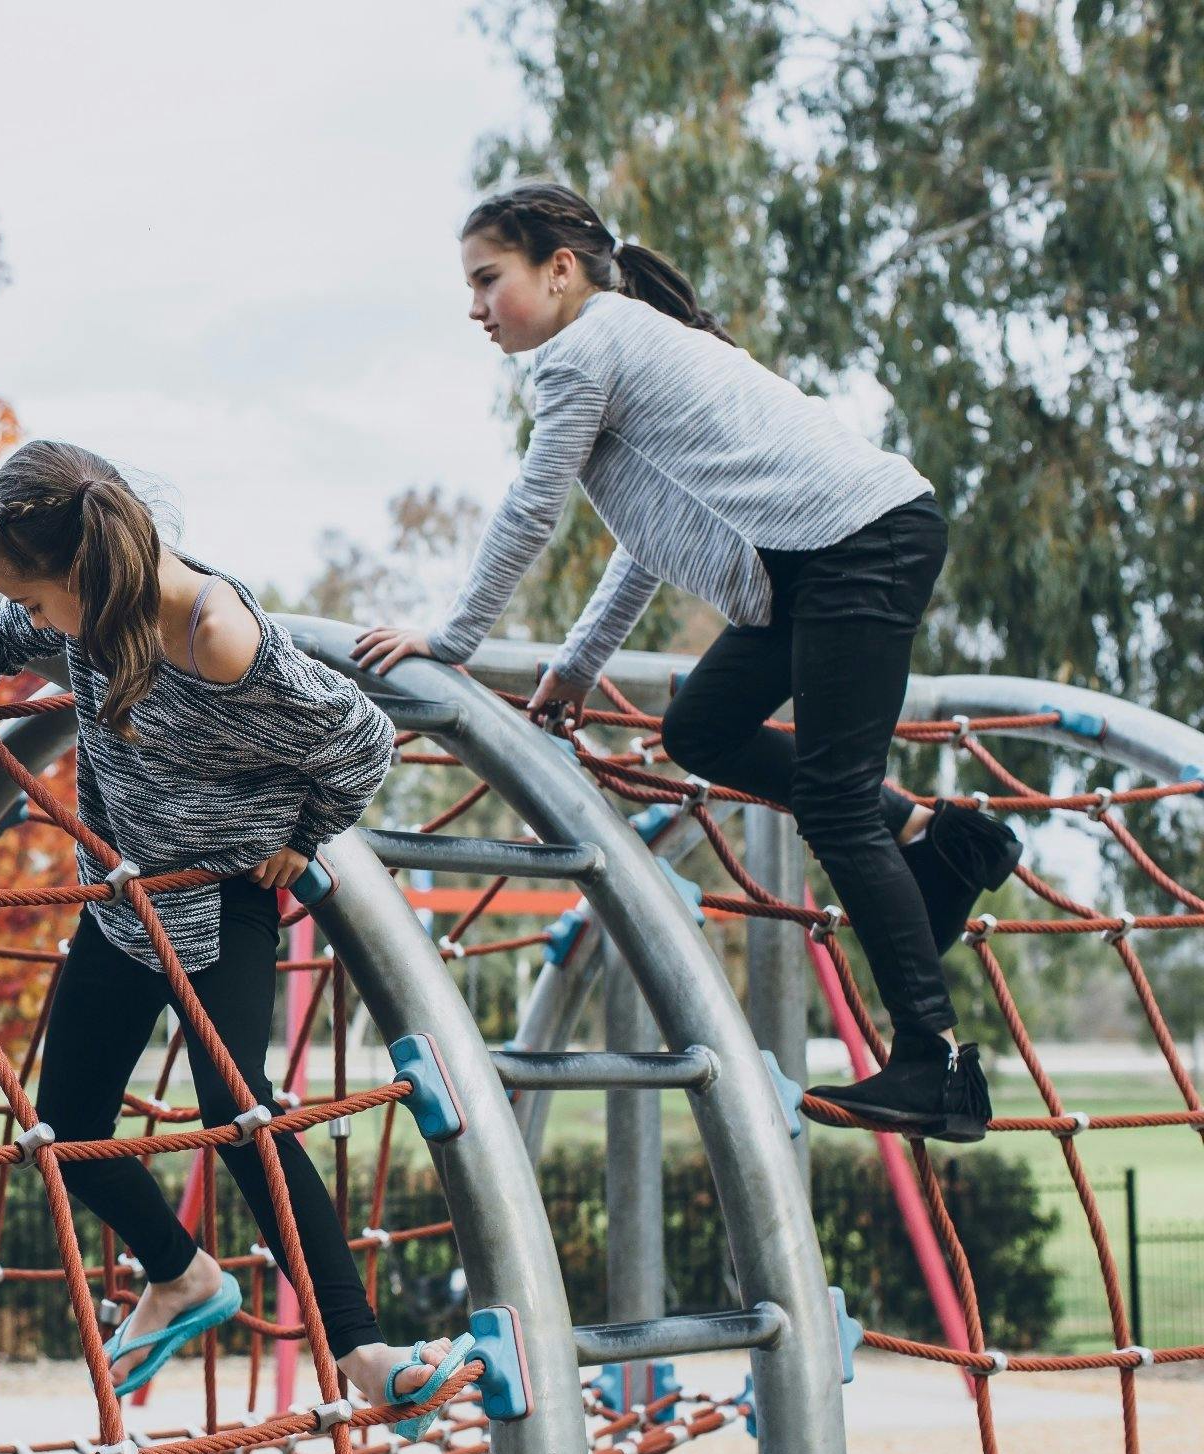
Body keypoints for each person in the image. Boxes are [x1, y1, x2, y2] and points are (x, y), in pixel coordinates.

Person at [352, 182, 1020, 1143]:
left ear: (560, 269)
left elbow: (531, 508)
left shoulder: (585, 349)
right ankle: (941, 838)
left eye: (487, 279)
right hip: (822, 560)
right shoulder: (619, 344)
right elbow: (649, 540)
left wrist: (448, 640)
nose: (475, 308)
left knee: (833, 799)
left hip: (856, 543)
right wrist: (579, 664)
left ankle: (935, 1063)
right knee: (699, 729)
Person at [0, 439, 462, 1429]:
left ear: (84, 573)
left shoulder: (218, 638)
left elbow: (361, 742)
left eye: (44, 603)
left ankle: (361, 1351)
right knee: (69, 1127)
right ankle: (182, 1277)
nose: (37, 624)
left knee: (236, 1107)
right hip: (123, 903)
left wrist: (297, 840)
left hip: (222, 899)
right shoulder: (92, 609)